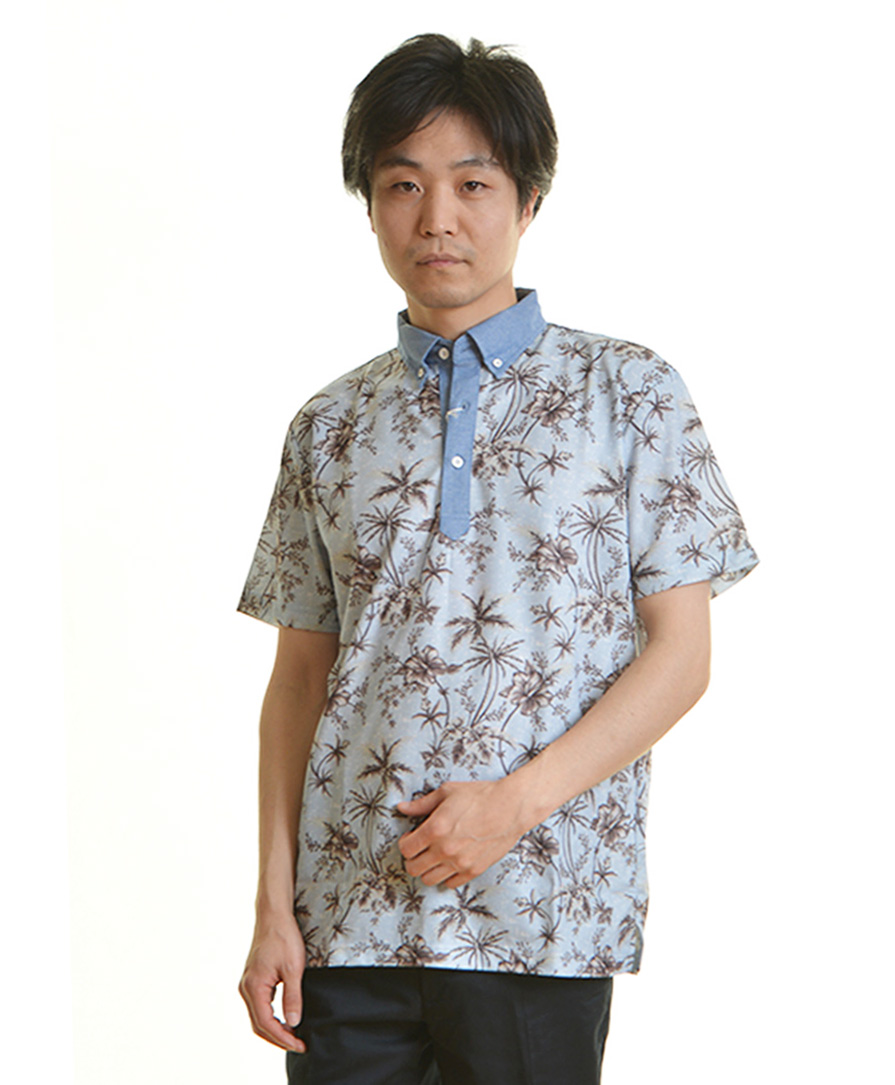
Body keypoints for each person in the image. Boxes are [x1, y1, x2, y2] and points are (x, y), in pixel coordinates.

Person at [237, 33, 758, 1084]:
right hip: (347, 921)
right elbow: (299, 679)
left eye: (472, 183)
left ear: (528, 200)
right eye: (402, 185)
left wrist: (512, 804)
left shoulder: (630, 394)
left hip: (539, 915)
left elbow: (681, 656)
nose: (436, 217)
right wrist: (272, 905)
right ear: (370, 205)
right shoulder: (329, 425)